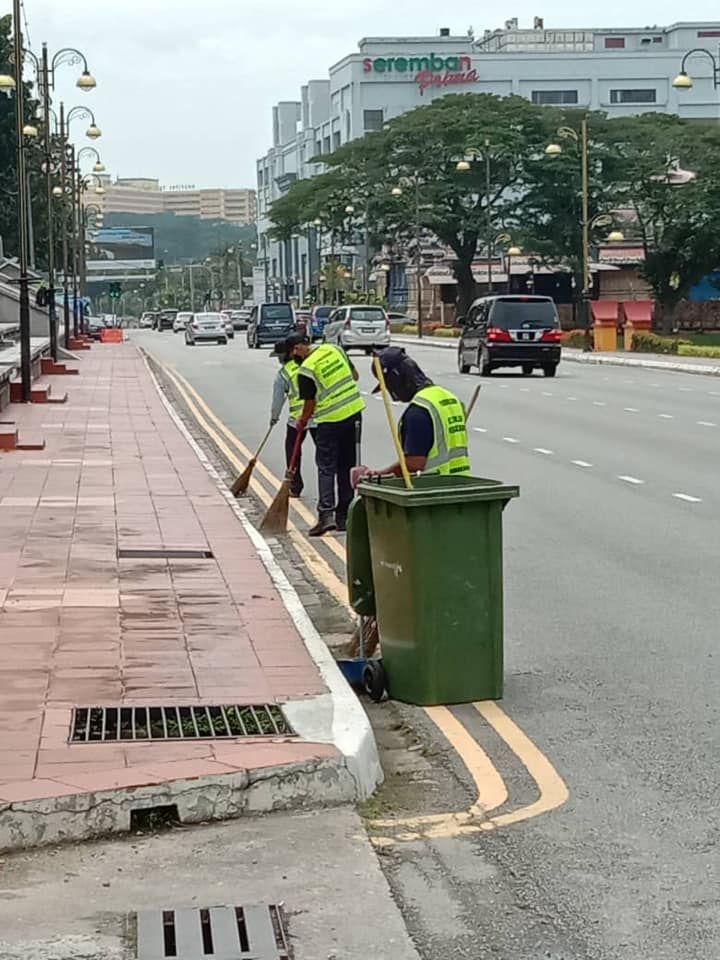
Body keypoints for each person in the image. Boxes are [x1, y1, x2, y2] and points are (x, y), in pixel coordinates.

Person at [288, 338, 365, 536]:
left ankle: (326, 515)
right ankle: (344, 516)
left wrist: (302, 421)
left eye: (293, 355)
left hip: (329, 421)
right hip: (354, 413)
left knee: (326, 467)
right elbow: (355, 376)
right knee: (347, 465)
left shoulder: (306, 370)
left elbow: (310, 404)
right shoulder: (335, 349)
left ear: (299, 348)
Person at [363, 346, 470, 479]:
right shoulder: (450, 398)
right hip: (462, 483)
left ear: (396, 380)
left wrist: (380, 475)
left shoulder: (418, 411)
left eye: (389, 387)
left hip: (434, 487)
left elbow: (414, 463)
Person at [270, 334, 316, 498]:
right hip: (319, 415)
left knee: (293, 452)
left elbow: (277, 401)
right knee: (324, 453)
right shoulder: (309, 363)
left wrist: (274, 418)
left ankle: (295, 486)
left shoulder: (283, 374)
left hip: (298, 419)